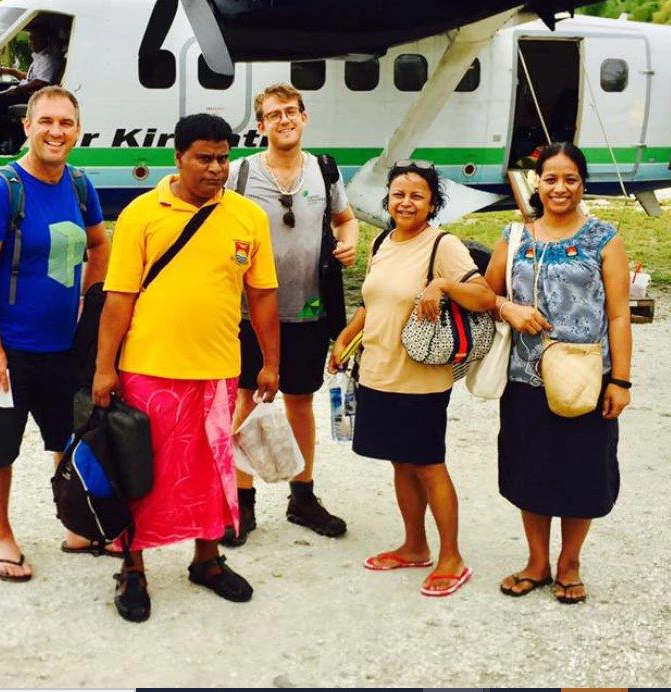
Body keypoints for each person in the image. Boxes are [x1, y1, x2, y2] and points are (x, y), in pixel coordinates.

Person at [92, 113, 280, 622]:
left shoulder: (248, 216)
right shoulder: (141, 213)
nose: (216, 168)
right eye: (204, 157)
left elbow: (262, 294)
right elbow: (118, 298)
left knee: (211, 474)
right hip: (148, 370)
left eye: (223, 157)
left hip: (218, 370)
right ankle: (133, 569)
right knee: (140, 475)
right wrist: (104, 369)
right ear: (177, 157)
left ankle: (207, 560)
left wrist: (270, 362)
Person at [0, 86, 110, 582]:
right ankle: (1, 537)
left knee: (69, 439)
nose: (56, 131)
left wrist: (90, 301)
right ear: (27, 127)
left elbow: (99, 244)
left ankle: (77, 523)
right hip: (8, 352)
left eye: (66, 122)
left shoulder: (80, 185)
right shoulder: (2, 190)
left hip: (62, 349)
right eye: (46, 121)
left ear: (77, 130)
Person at [329, 160, 495, 597]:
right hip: (378, 370)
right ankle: (414, 545)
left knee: (428, 464)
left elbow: (483, 296)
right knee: (400, 461)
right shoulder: (382, 240)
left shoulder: (442, 244)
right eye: (399, 193)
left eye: (417, 195)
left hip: (421, 378)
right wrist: (347, 334)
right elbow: (373, 301)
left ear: (432, 202)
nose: (406, 202)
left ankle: (452, 557)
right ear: (388, 198)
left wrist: (443, 285)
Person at [484, 142, 632, 604]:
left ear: (582, 183)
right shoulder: (515, 237)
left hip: (586, 378)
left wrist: (621, 381)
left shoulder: (604, 238)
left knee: (581, 472)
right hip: (526, 378)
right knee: (530, 469)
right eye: (550, 178)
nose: (560, 187)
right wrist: (509, 308)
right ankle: (536, 561)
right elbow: (486, 294)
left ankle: (569, 562)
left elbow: (619, 315)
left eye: (570, 179)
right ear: (537, 183)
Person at [223, 83, 358, 546]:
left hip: (309, 308)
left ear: (304, 118)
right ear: (261, 125)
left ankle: (303, 497)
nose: (284, 120)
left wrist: (350, 243)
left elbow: (346, 219)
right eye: (273, 114)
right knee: (246, 399)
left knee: (300, 401)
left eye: (291, 112)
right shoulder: (238, 174)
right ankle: (240, 503)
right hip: (247, 313)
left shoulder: (323, 170)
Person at [0, 20, 64, 96]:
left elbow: (40, 83)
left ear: (45, 40)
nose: (31, 41)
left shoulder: (47, 60)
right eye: (30, 38)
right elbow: (30, 79)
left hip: (33, 97)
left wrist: (18, 89)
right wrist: (10, 71)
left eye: (35, 38)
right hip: (28, 93)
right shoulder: (40, 57)